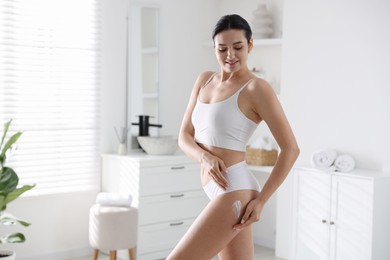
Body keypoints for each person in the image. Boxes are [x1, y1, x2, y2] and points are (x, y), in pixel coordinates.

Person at [167, 14, 299, 260]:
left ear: (250, 45)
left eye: (238, 47)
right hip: (215, 188)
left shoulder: (257, 89)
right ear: (214, 48)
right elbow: (184, 136)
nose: (230, 55)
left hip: (235, 190)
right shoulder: (204, 80)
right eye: (222, 48)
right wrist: (204, 157)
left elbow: (291, 149)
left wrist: (261, 201)